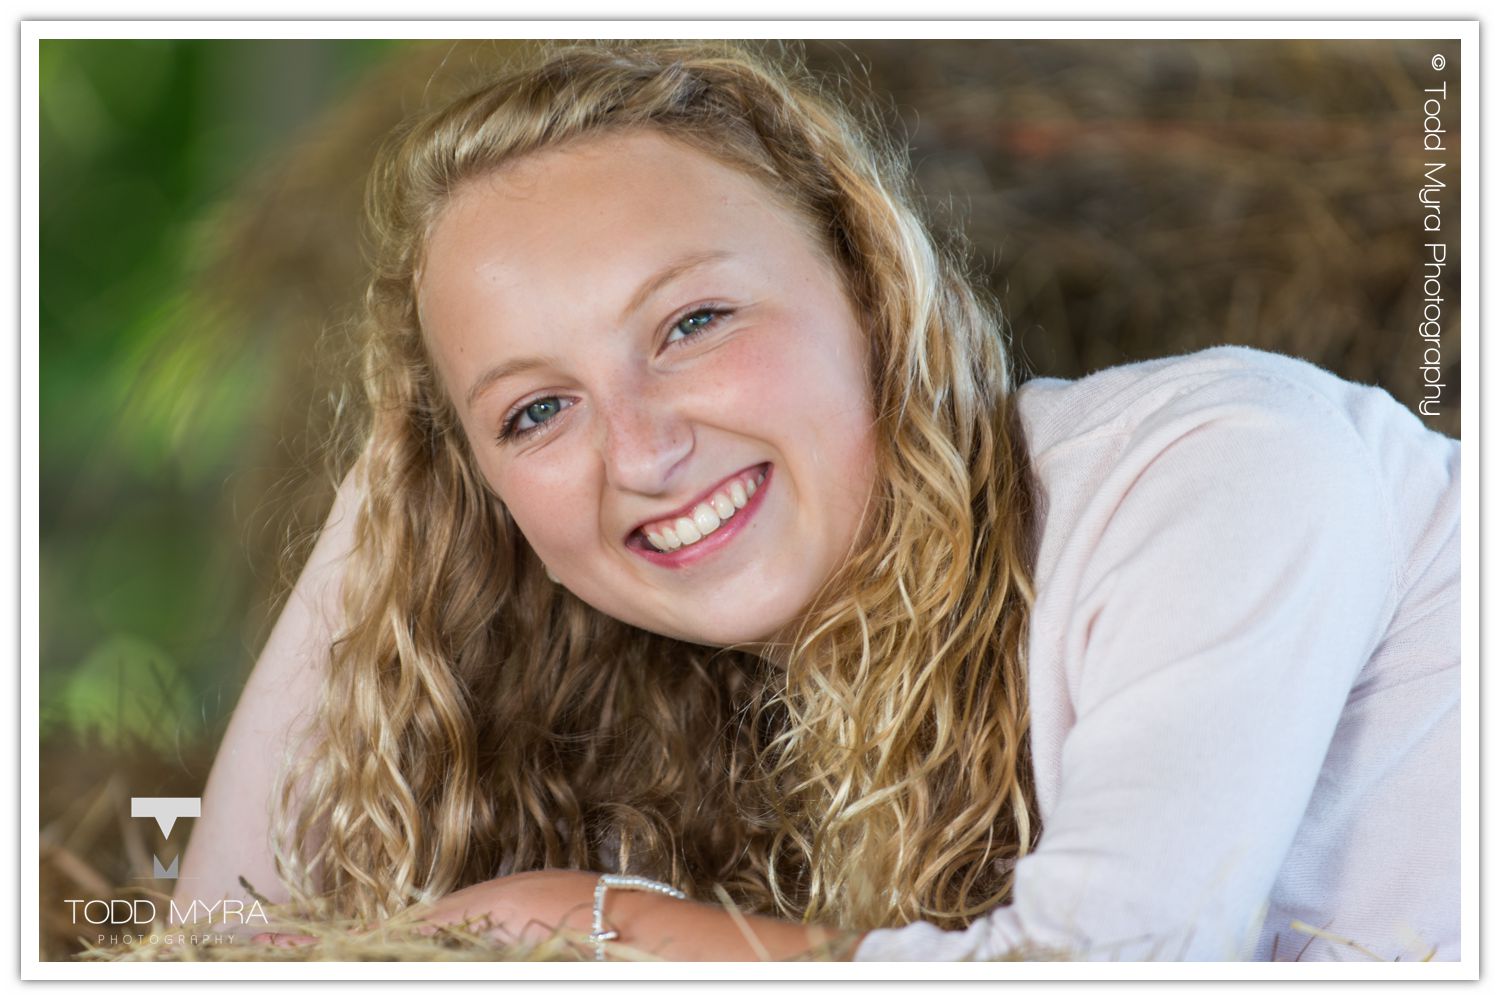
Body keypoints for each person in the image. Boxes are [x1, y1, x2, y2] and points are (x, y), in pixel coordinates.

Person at [175, 41, 1460, 962]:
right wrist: (400, 477)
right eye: (536, 409)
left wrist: (605, 923)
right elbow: (221, 950)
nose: (639, 449)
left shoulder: (1217, 463)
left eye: (691, 321)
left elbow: (1111, 966)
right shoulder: (755, 717)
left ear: (870, 285)